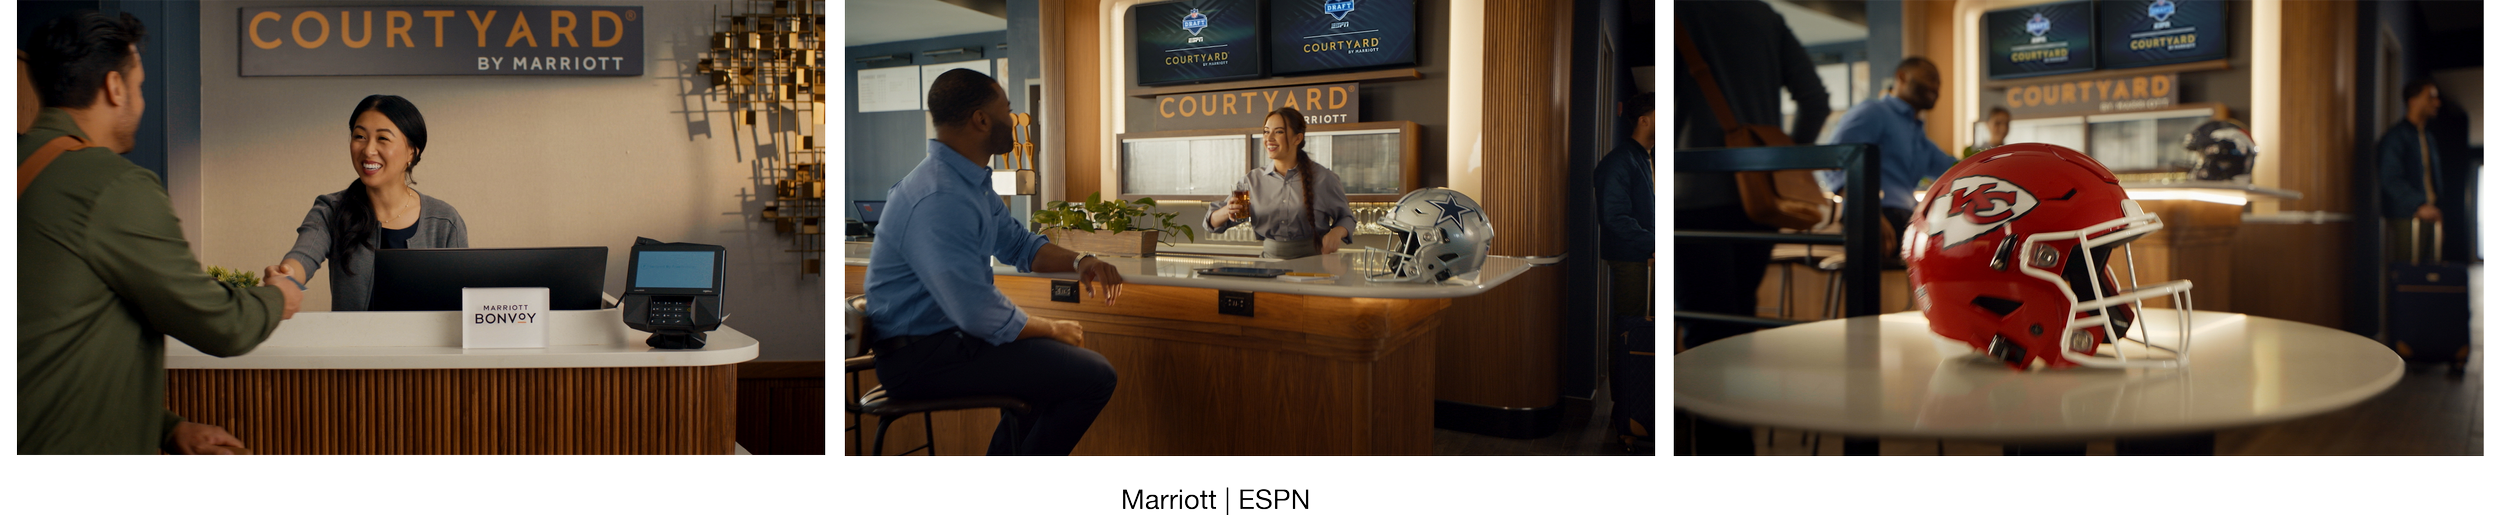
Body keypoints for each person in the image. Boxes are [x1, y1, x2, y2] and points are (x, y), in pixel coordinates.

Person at [18, 10, 303, 454]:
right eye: (139, 86)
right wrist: (278, 298)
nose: (141, 101)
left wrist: (167, 427)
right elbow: (223, 325)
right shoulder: (113, 185)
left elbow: (50, 351)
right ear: (115, 87)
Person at [864, 68, 1125, 456]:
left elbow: (1020, 245)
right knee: (1094, 376)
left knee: (1058, 374)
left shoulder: (967, 182)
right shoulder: (939, 195)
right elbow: (975, 310)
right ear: (981, 119)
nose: (1015, 119)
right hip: (921, 359)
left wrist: (1081, 261)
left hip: (947, 344)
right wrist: (1050, 329)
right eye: (1008, 109)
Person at [1669, 0, 1829, 457]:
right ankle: (1734, 453)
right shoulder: (1765, 16)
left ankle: (1719, 461)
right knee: (1735, 329)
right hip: (1759, 198)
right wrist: (1785, 160)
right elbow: (1815, 99)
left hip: (1693, 196)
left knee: (1703, 334)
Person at [276, 95, 469, 311]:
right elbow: (303, 256)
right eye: (359, 136)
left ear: (412, 151)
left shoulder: (444, 221)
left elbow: (462, 305)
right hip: (354, 343)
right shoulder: (331, 209)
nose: (368, 150)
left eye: (383, 139)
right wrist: (286, 278)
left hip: (424, 345)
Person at [1824, 57, 1958, 247]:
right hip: (1874, 216)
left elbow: (1956, 169)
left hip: (1906, 220)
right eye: (1930, 78)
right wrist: (1869, 212)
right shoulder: (1874, 112)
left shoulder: (1918, 135)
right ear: (1902, 77)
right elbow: (1833, 159)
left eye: (1939, 82)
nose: (1936, 87)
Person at [1204, 106, 1356, 259]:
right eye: (1266, 131)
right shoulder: (1252, 181)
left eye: (1278, 132)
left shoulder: (1324, 178)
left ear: (1297, 138)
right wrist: (1226, 211)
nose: (1269, 138)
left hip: (1314, 266)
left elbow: (1347, 218)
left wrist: (1336, 233)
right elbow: (1210, 223)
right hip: (1269, 268)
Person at [1597, 92, 1656, 320]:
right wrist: (1655, 243)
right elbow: (1615, 216)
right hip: (1628, 256)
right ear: (1644, 120)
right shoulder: (1620, 161)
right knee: (1629, 326)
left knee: (1640, 323)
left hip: (1643, 251)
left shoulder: (1644, 156)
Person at [2376, 78, 2446, 263]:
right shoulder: (2396, 137)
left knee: (2429, 275)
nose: (2437, 103)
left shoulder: (2427, 137)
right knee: (2408, 277)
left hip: (2429, 216)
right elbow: (2389, 178)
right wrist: (2418, 205)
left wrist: (2434, 210)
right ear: (2413, 101)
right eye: (2431, 97)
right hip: (2406, 217)